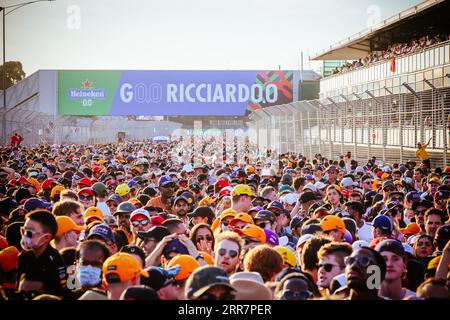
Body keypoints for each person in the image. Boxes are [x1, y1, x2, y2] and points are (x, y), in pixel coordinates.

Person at [17, 210, 67, 297]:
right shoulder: (23, 256)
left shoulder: (56, 261)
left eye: (29, 233)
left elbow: (61, 293)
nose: (25, 236)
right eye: (23, 231)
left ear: (46, 237)